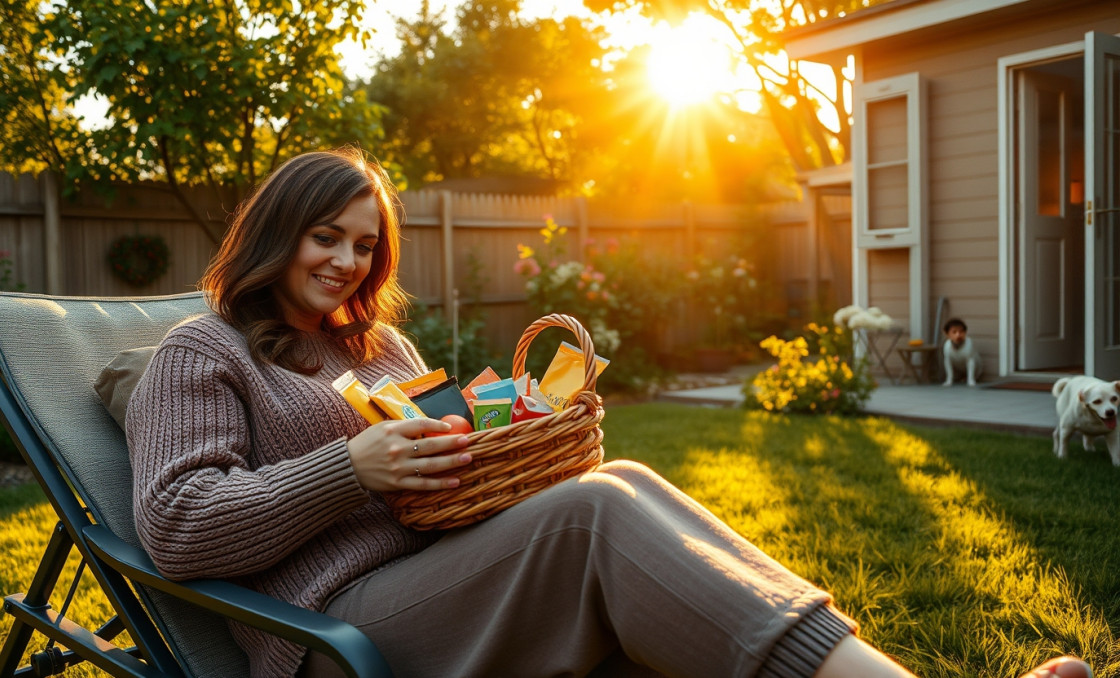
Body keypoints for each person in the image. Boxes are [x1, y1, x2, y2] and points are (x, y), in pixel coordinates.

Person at [125, 147, 1091, 678]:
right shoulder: (203, 352)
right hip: (332, 633)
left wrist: (504, 445)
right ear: (277, 233)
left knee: (615, 487)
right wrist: (351, 468)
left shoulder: (382, 349)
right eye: (324, 237)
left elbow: (450, 484)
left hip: (447, 582)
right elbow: (175, 523)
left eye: (365, 246)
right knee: (597, 515)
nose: (346, 262)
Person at [942, 317, 983, 387]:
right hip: (958, 369)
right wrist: (949, 380)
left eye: (961, 332)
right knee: (948, 359)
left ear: (965, 332)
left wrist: (971, 380)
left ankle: (970, 379)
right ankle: (949, 379)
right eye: (954, 332)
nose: (958, 335)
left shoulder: (968, 343)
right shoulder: (947, 346)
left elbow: (970, 361)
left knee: (971, 359)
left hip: (976, 369)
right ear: (947, 334)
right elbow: (947, 361)